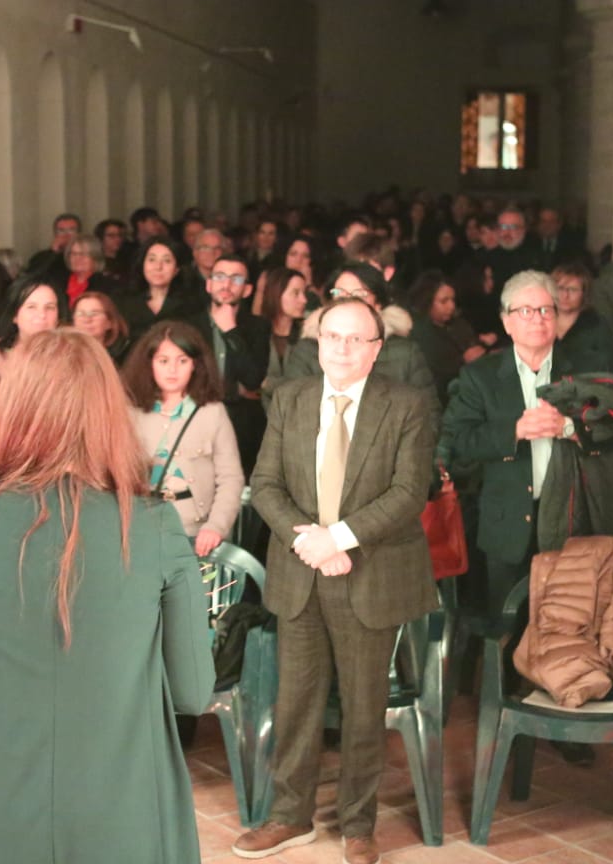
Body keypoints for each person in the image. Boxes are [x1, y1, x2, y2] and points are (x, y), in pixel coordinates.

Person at [0, 329, 214, 864]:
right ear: (108, 413)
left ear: (15, 409)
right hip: (124, 804)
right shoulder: (154, 525)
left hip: (0, 798)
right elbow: (193, 693)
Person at [232, 297, 436, 864]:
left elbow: (409, 492)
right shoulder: (290, 398)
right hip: (301, 571)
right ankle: (288, 816)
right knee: (296, 702)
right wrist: (310, 542)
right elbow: (265, 483)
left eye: (355, 339)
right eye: (332, 336)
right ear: (317, 343)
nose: (342, 348)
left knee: (364, 707)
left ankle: (358, 826)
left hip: (369, 573)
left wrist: (339, 539)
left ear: (376, 349)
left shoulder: (407, 404)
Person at [439, 271, 581, 620]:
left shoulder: (582, 370)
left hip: (571, 522)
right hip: (506, 524)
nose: (538, 319)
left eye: (546, 310)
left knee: (568, 625)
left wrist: (569, 428)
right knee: (507, 626)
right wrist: (513, 432)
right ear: (506, 321)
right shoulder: (480, 376)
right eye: (526, 311)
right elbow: (458, 441)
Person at [122, 321, 244, 557]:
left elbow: (231, 478)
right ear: (149, 364)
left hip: (195, 532)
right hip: (141, 529)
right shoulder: (130, 413)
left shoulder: (212, 412)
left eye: (182, 361)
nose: (172, 370)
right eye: (163, 361)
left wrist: (215, 526)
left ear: (196, 365)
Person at [280, 263, 440, 426]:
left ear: (378, 304)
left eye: (359, 294)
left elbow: (428, 417)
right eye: (339, 293)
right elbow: (290, 413)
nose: (347, 301)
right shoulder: (308, 349)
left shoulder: (405, 352)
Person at [183, 255, 270, 477]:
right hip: (193, 417)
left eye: (236, 279)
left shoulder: (258, 327)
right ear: (209, 284)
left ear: (247, 290)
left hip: (241, 424)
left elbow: (252, 379)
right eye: (220, 277)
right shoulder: (187, 325)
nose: (227, 284)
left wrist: (231, 331)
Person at [407, 269, 491, 407]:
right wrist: (463, 361)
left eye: (452, 300)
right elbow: (433, 374)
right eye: (444, 301)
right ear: (427, 301)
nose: (451, 306)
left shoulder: (458, 324)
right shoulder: (420, 334)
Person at [118, 236, 197, 341]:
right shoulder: (123, 301)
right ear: (142, 265)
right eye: (152, 260)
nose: (158, 267)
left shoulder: (192, 304)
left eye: (167, 261)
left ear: (177, 269)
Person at [551, 262, 613, 374]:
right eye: (560, 288)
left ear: (584, 294)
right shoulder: (541, 321)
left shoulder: (597, 325)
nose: (565, 295)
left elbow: (611, 364)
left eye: (572, 290)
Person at [0, 276, 61, 374]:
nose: (42, 315)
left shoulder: (69, 357)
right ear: (14, 315)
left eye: (49, 307)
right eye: (31, 307)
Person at [258, 266, 308, 405]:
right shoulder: (257, 332)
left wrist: (267, 384)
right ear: (276, 294)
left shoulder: (308, 335)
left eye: (304, 293)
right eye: (296, 293)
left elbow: (306, 384)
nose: (304, 300)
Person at [72, 289, 131, 363]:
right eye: (80, 314)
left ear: (109, 322)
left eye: (94, 314)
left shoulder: (124, 362)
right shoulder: (62, 357)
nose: (87, 319)